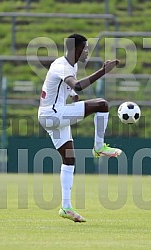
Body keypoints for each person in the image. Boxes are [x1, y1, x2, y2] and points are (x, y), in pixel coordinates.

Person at [38, 34, 122, 222]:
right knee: (102, 104)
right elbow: (77, 85)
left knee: (69, 160)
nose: (87, 51)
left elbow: (70, 89)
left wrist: (74, 96)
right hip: (53, 115)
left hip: (50, 116)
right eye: (85, 48)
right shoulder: (61, 65)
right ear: (74, 49)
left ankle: (66, 208)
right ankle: (99, 147)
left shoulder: (72, 65)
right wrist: (103, 71)